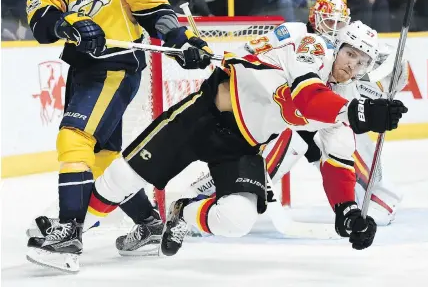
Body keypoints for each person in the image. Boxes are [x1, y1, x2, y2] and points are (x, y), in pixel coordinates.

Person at [84, 21, 407, 261]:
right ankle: (72, 226)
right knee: (122, 178)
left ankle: (182, 212)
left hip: (243, 144)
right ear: (336, 47)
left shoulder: (346, 97)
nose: (352, 64)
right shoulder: (312, 47)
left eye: (362, 62)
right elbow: (308, 98)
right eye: (350, 53)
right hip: (204, 117)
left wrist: (347, 212)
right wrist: (359, 112)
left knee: (236, 220)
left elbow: (337, 161)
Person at [25, 0, 212, 272]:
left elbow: (154, 9)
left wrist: (183, 41)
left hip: (117, 66)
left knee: (74, 138)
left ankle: (69, 235)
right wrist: (68, 25)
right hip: (81, 67)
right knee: (104, 157)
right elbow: (40, 18)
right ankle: (148, 224)